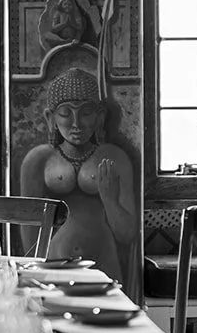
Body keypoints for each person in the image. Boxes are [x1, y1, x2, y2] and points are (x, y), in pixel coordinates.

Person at [19, 66, 137, 283]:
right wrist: (34, 276)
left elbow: (127, 234)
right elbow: (29, 230)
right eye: (65, 113)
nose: (76, 124)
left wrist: (110, 200)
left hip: (104, 262)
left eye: (86, 113)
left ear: (100, 117)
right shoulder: (38, 160)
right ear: (51, 117)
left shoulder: (114, 158)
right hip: (54, 264)